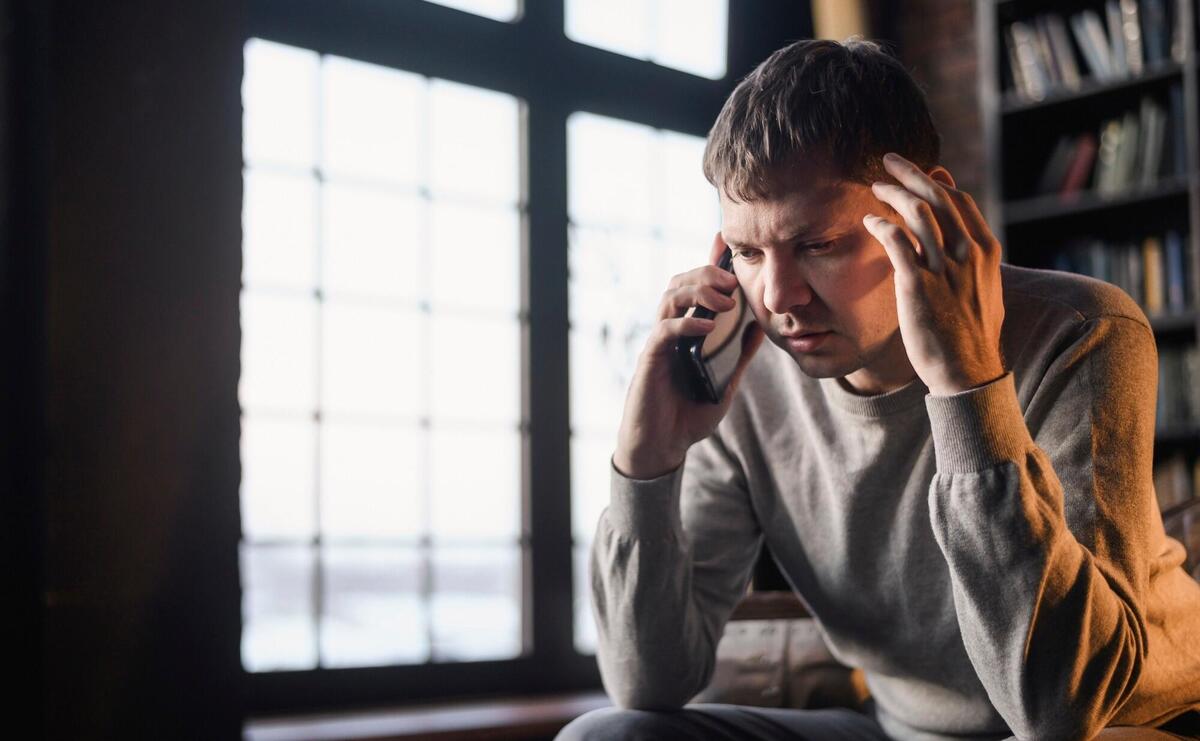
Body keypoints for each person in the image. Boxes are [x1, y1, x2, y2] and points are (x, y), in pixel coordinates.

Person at [556, 37, 1200, 741]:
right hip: (901, 731)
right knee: (607, 735)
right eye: (746, 252)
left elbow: (1059, 706)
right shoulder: (744, 376)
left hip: (1124, 722)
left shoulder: (1084, 332)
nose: (779, 297)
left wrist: (966, 385)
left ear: (926, 211)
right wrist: (646, 459)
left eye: (817, 244)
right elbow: (647, 681)